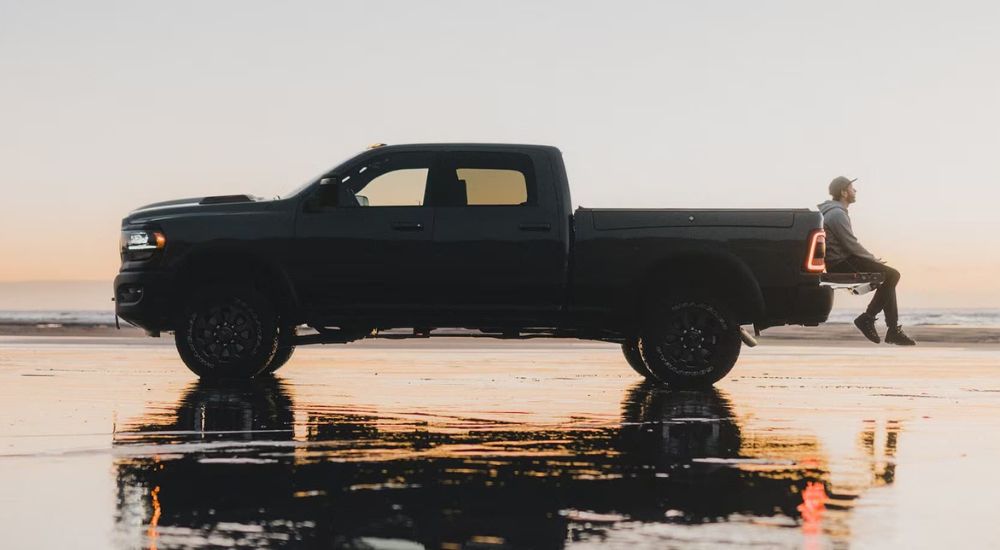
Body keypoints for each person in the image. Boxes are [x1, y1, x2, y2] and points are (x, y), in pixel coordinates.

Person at [819, 177, 916, 345]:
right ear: (843, 192)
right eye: (852, 188)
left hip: (843, 260)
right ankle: (868, 319)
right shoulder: (836, 214)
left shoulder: (835, 212)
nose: (855, 191)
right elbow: (851, 245)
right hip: (843, 263)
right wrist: (872, 259)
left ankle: (892, 330)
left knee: (889, 277)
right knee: (892, 275)